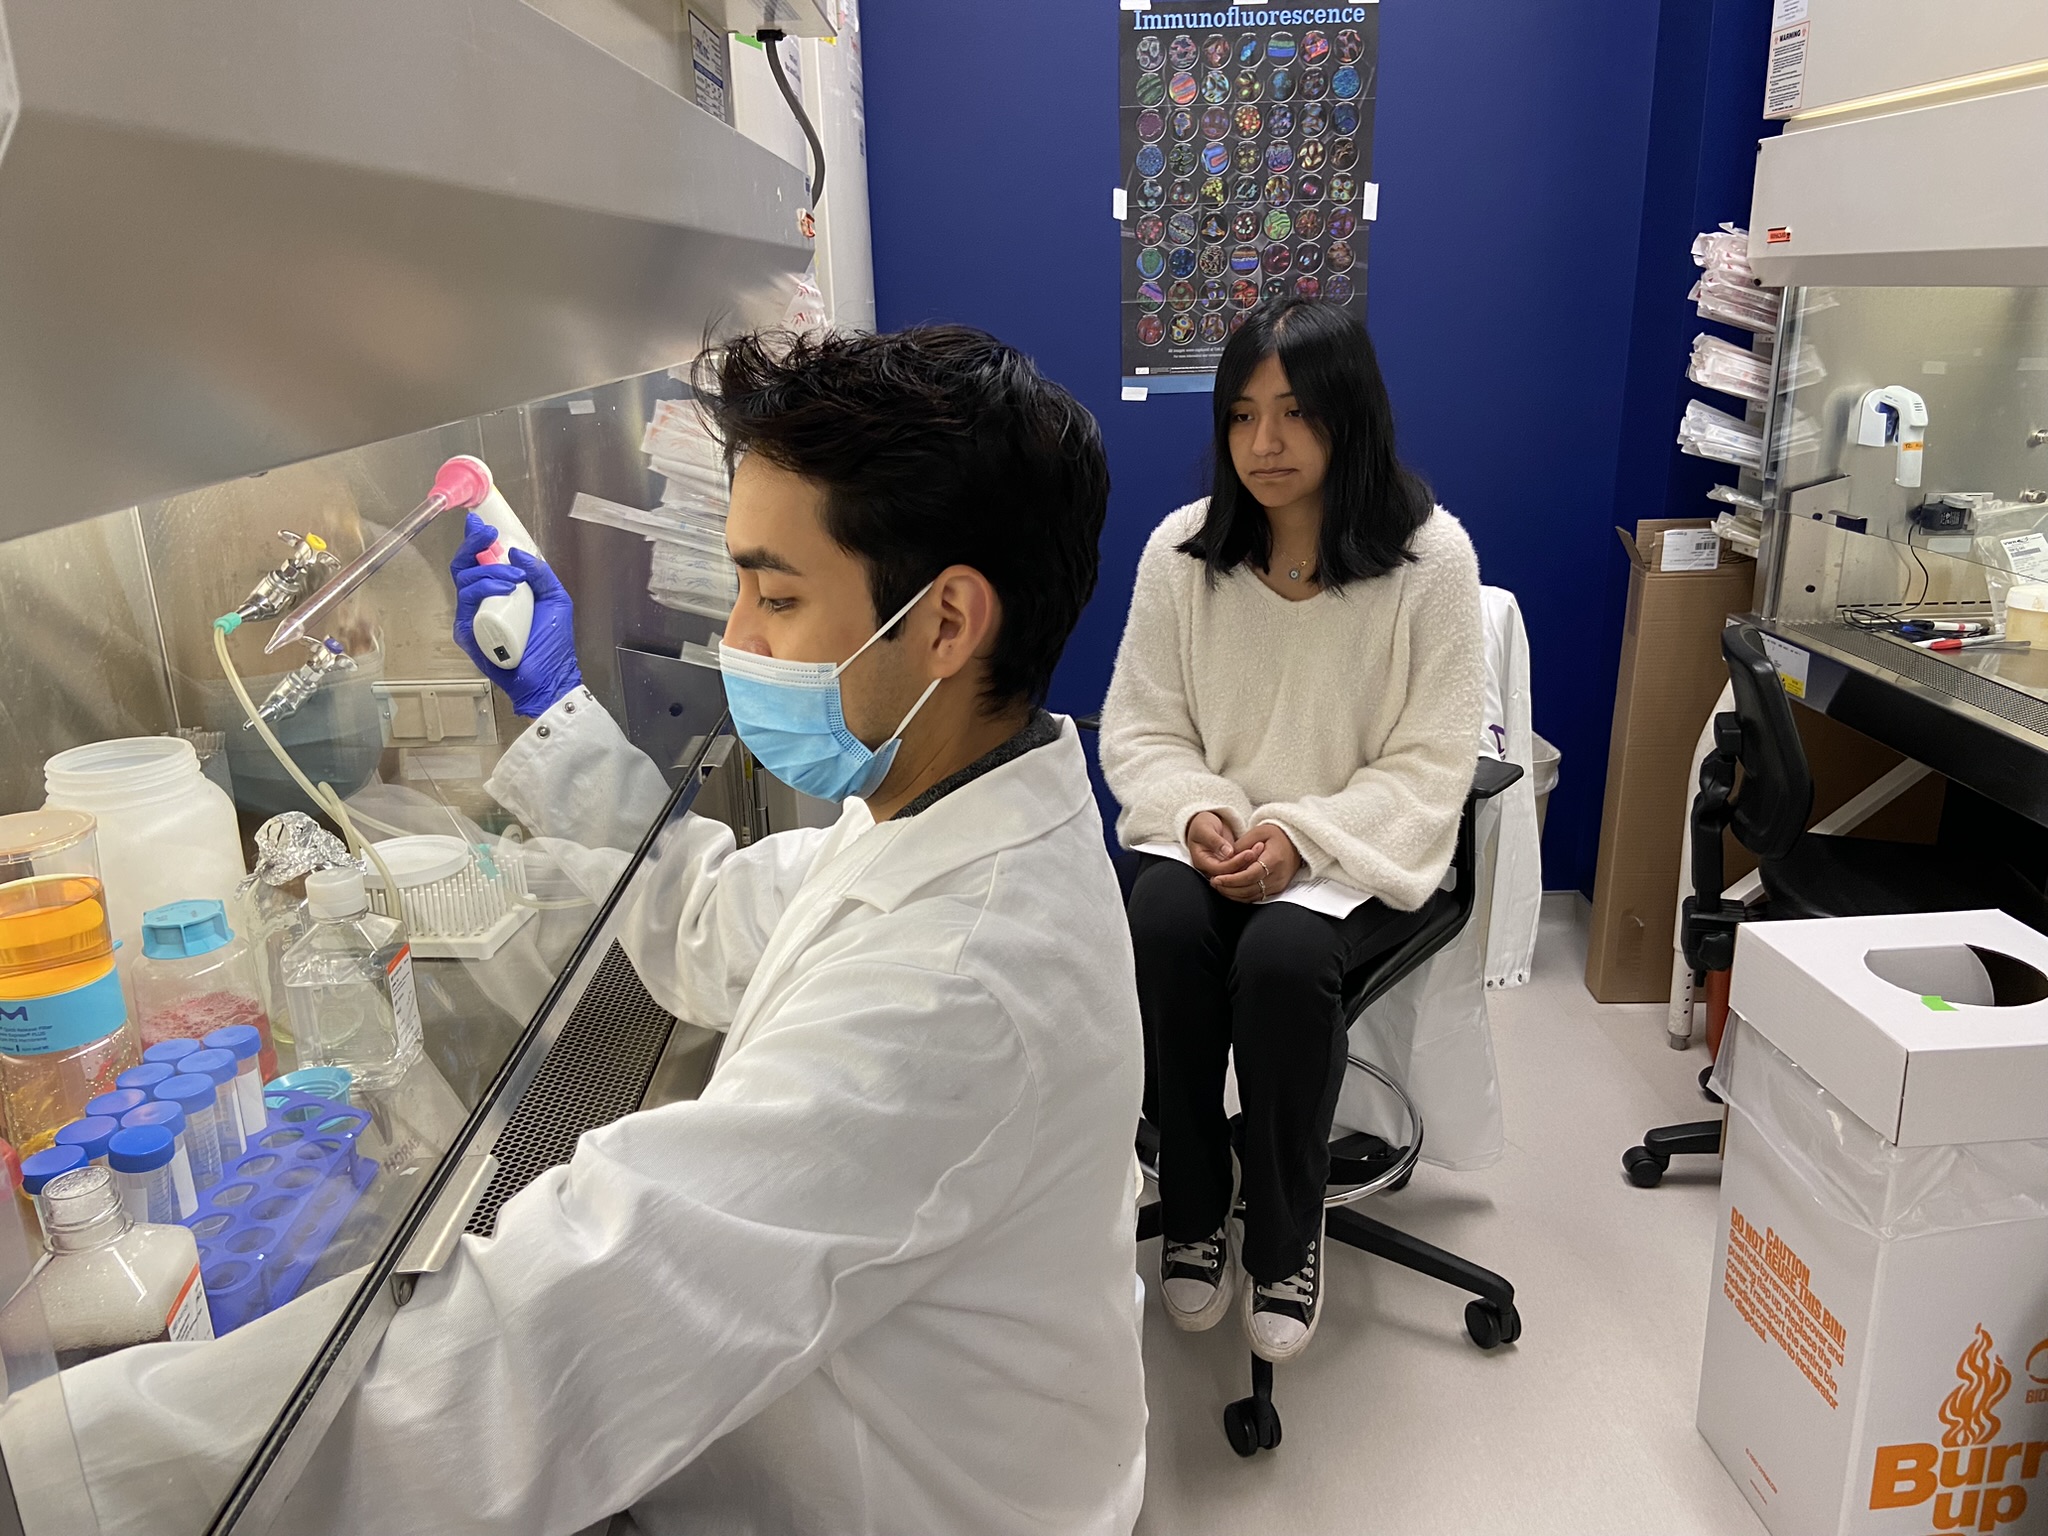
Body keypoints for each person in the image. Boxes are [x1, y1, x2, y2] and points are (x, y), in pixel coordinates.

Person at [271, 327, 1146, 1533]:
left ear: (946, 624)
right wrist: (551, 705)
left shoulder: (963, 982)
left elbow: (554, 1337)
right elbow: (717, 914)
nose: (733, 639)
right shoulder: (943, 804)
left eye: (775, 595)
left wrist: (73, 1469)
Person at [1098, 299, 1484, 1365]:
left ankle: (1281, 1230)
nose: (1262, 444)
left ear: (1348, 417)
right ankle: (1190, 1199)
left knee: (1280, 956)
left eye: (1293, 414)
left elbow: (1431, 760)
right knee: (1165, 922)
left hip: (1349, 855)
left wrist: (1300, 837)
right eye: (1239, 416)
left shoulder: (1428, 560)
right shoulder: (1180, 552)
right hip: (1208, 834)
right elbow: (1140, 726)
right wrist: (1204, 814)